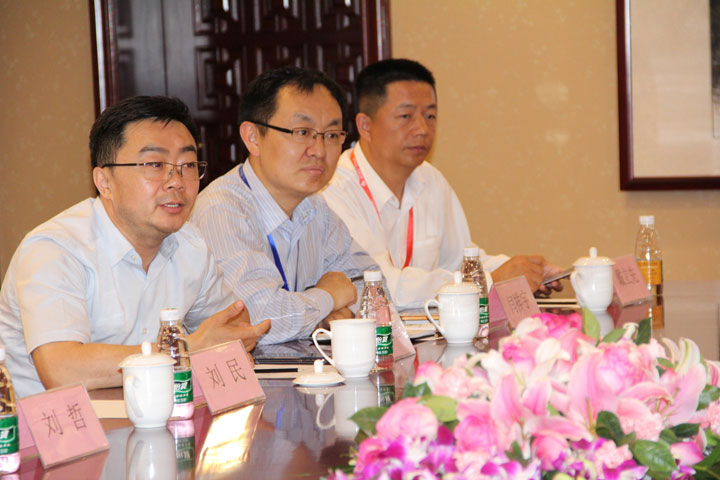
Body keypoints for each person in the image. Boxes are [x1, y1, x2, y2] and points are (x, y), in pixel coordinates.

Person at [0, 96, 271, 398]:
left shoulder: (190, 243)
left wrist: (222, 342)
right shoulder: (55, 250)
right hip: (49, 426)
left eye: (188, 165)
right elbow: (61, 370)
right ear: (105, 181)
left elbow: (235, 326)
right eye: (155, 165)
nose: (176, 181)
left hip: (152, 416)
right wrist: (184, 351)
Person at [322, 59, 563, 311]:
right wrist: (489, 280)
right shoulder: (334, 189)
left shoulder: (430, 179)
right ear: (365, 125)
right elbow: (376, 285)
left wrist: (524, 271)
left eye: (430, 116)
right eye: (405, 116)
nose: (422, 129)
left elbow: (459, 260)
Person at [190, 67, 378, 345]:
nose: (319, 150)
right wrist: (328, 297)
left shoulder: (315, 207)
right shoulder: (221, 211)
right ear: (253, 137)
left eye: (331, 135)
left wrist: (338, 313)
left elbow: (373, 288)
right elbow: (259, 320)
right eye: (303, 132)